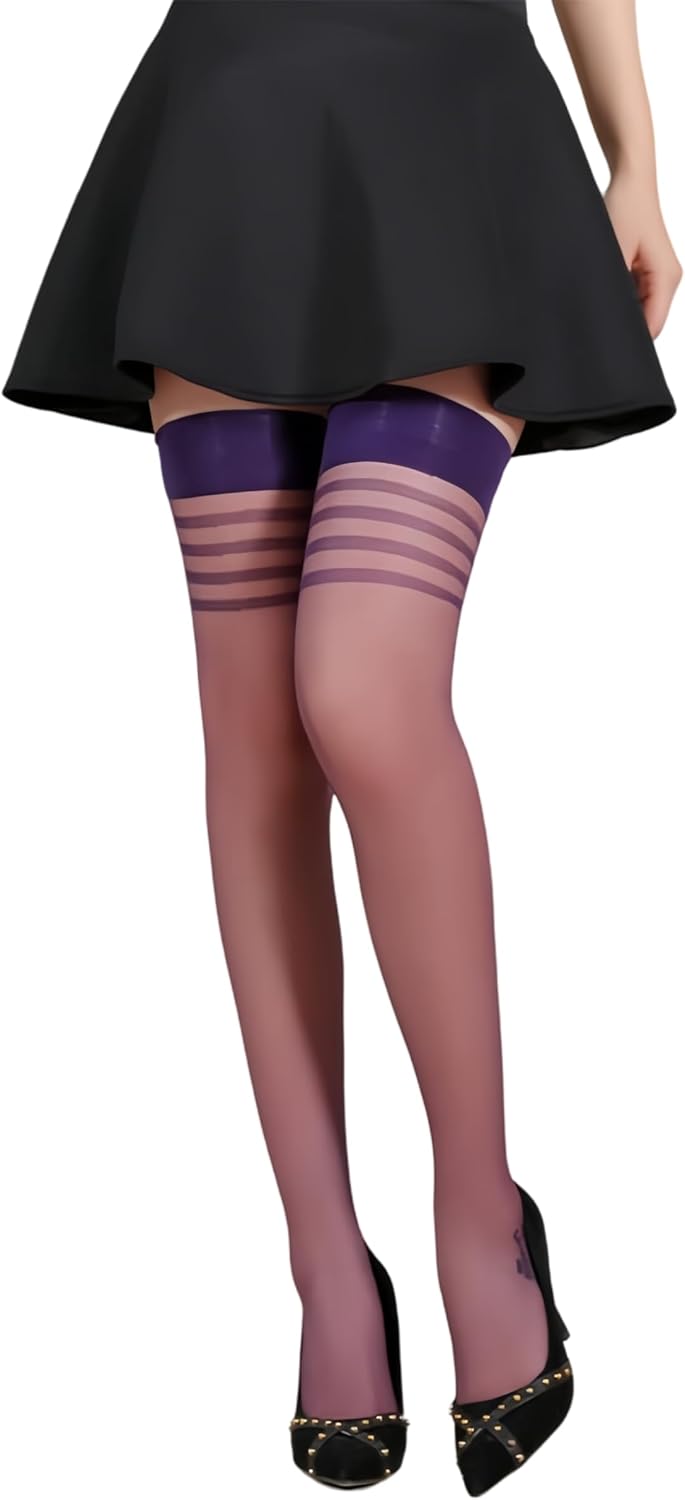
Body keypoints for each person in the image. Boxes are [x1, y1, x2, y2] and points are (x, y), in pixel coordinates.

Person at [2, 2, 680, 1491]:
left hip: (450, 117)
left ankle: (481, 1229)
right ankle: (324, 1268)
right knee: (253, 729)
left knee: (361, 690)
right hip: (232, 120)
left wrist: (633, 151)